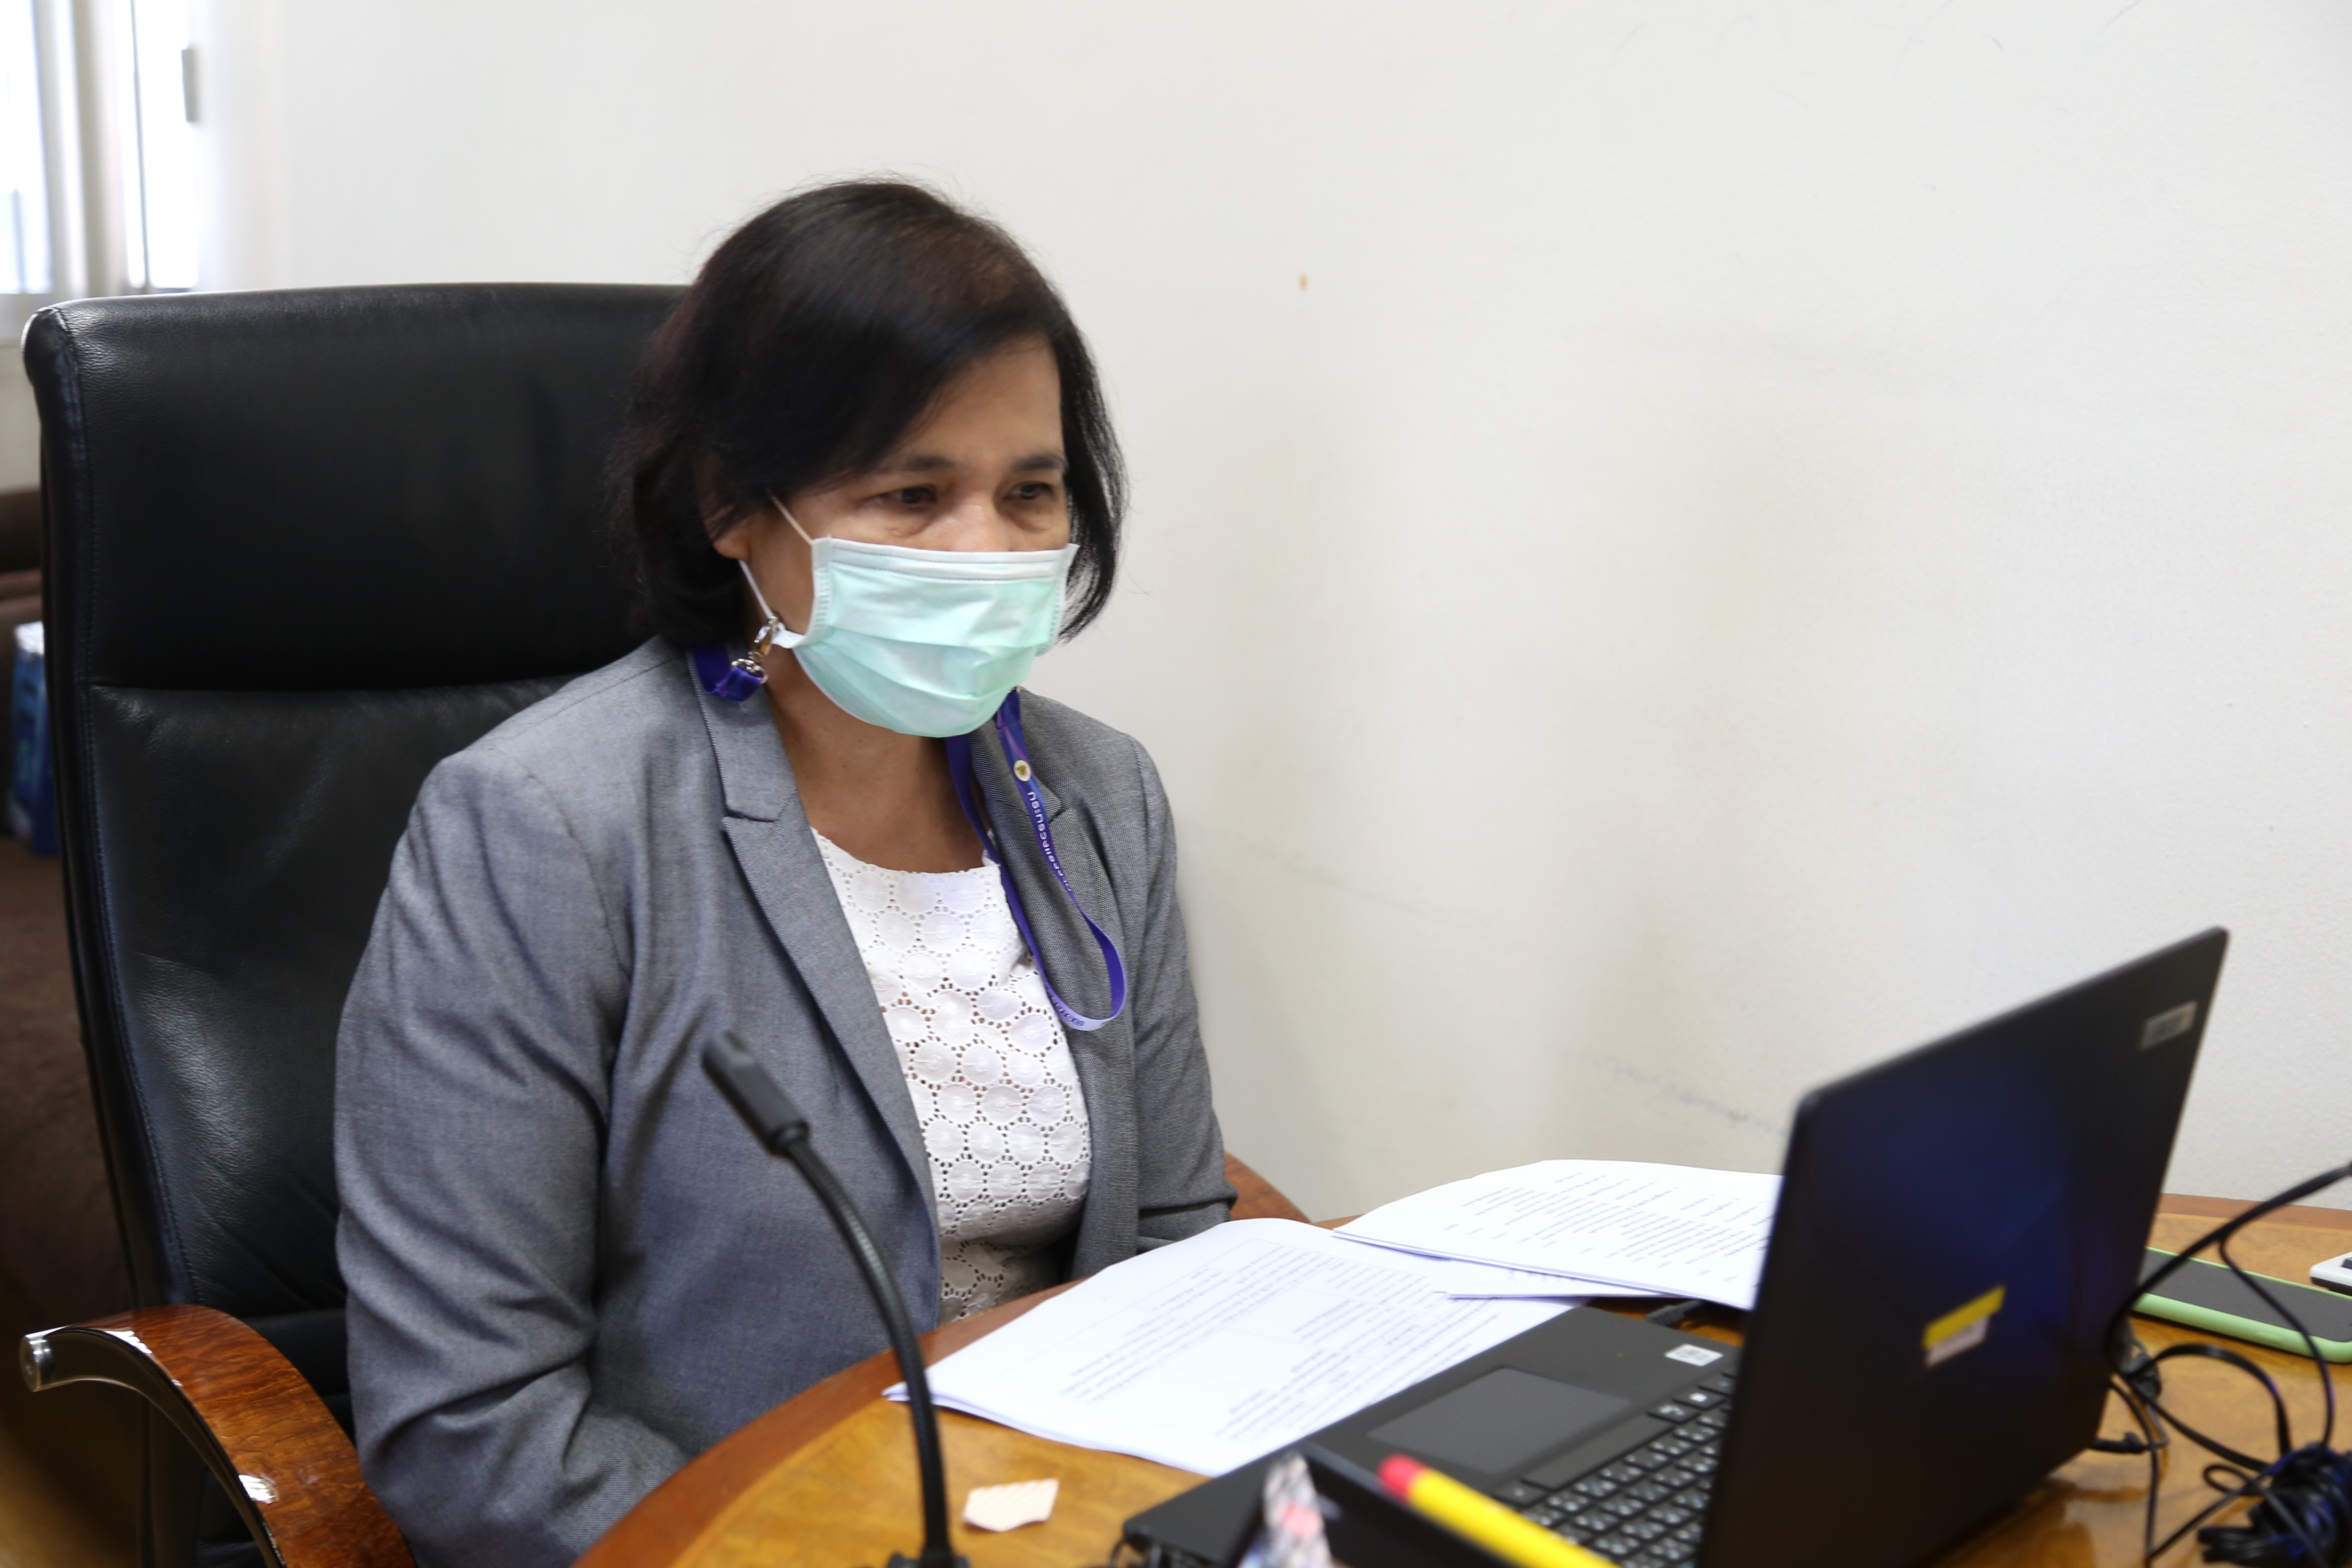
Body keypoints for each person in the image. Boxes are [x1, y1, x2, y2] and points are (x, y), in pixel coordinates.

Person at [333, 181, 1234, 1568]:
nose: (988, 551)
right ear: (730, 507)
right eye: (913, 495)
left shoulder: (1100, 795)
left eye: (1029, 492)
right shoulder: (541, 826)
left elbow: (1173, 1238)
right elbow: (472, 1423)